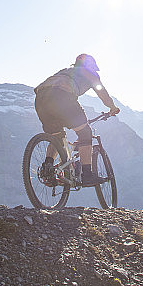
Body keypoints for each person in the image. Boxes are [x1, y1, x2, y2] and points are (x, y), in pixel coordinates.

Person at [34, 54, 120, 187]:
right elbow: (101, 91)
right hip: (62, 96)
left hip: (41, 99)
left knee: (57, 137)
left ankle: (48, 168)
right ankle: (87, 175)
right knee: (85, 133)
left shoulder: (65, 71)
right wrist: (112, 107)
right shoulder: (90, 73)